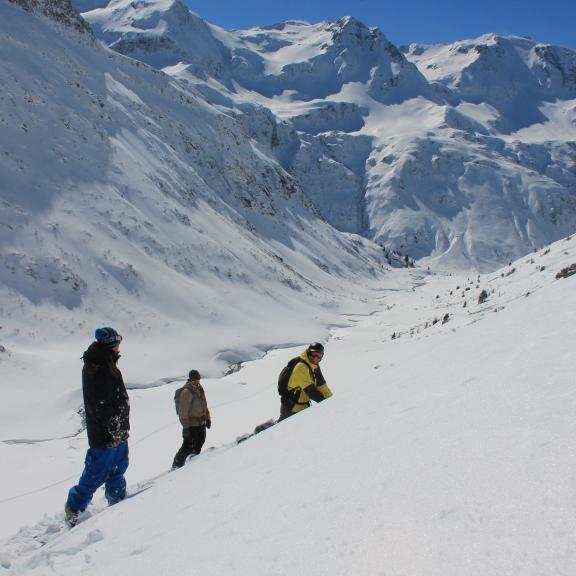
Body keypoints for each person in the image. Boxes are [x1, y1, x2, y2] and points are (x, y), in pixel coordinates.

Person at [64, 327, 130, 527]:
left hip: (116, 430)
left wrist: (120, 426)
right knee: (97, 471)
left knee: (118, 467)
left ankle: (118, 501)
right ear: (111, 343)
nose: (119, 345)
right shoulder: (99, 367)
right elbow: (102, 402)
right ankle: (74, 507)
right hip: (105, 433)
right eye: (117, 340)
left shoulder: (106, 362)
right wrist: (114, 426)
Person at [278, 342, 333, 421]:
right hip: (291, 408)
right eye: (314, 354)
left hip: (303, 407)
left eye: (319, 356)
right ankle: (260, 431)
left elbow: (322, 385)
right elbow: (311, 391)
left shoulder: (314, 365)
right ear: (308, 353)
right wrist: (327, 405)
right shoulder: (301, 367)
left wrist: (332, 400)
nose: (315, 358)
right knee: (279, 431)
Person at [172, 370, 211, 469]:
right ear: (190, 379)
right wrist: (186, 428)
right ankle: (177, 464)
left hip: (201, 423)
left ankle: (193, 462)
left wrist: (208, 418)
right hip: (191, 425)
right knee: (187, 446)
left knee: (200, 443)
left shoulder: (200, 389)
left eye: (197, 379)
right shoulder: (186, 392)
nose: (196, 381)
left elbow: (204, 405)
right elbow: (183, 412)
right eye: (193, 379)